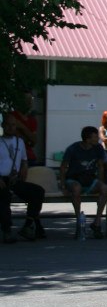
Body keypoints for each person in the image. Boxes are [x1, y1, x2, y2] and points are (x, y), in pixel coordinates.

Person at [0, 112, 46, 243]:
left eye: (13, 125)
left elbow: (24, 160)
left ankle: (27, 226)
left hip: (14, 180)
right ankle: (7, 230)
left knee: (38, 191)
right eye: (8, 125)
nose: (10, 127)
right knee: (4, 197)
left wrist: (24, 167)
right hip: (1, 180)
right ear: (3, 125)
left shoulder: (19, 142)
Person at [59, 125, 107, 239]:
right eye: (95, 137)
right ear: (87, 139)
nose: (98, 139)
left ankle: (97, 223)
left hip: (90, 179)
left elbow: (101, 166)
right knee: (76, 188)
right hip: (74, 179)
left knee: (104, 188)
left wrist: (100, 182)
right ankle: (79, 222)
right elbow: (63, 167)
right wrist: (63, 185)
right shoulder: (73, 149)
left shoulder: (98, 148)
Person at [11, 90, 38, 163]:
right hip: (14, 156)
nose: (29, 102)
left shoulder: (33, 120)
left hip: (29, 157)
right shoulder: (12, 116)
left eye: (31, 99)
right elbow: (14, 137)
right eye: (27, 99)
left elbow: (34, 141)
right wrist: (29, 137)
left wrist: (22, 126)